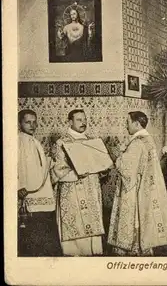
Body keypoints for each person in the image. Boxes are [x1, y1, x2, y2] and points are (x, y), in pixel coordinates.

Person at [107, 111, 167, 256]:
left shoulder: (137, 142)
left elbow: (127, 169)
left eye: (128, 122)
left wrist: (116, 155)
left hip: (135, 188)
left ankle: (133, 247)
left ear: (137, 124)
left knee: (135, 216)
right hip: (146, 185)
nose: (126, 126)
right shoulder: (148, 139)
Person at [51, 109, 105, 256]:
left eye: (85, 119)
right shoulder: (61, 142)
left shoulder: (91, 141)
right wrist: (77, 171)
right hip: (72, 189)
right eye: (79, 120)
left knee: (91, 221)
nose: (83, 123)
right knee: (75, 223)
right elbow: (57, 169)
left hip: (91, 189)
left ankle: (93, 253)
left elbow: (99, 163)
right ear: (70, 122)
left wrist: (103, 168)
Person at [18, 110, 62, 256]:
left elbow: (41, 167)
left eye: (34, 121)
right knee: (32, 229)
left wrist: (51, 157)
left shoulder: (35, 141)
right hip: (29, 191)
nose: (32, 125)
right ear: (20, 123)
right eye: (27, 122)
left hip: (42, 191)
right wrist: (19, 186)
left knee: (45, 224)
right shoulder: (18, 141)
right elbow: (13, 165)